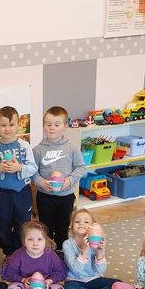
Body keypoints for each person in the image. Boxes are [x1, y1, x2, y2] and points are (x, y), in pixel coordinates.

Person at [32, 106, 86, 250]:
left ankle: (62, 253)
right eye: (48, 124)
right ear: (43, 125)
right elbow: (32, 172)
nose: (52, 128)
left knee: (63, 228)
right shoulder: (37, 150)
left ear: (65, 127)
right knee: (46, 228)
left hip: (66, 196)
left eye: (57, 124)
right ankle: (48, 254)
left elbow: (81, 168)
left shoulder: (72, 147)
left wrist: (69, 181)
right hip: (45, 197)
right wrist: (41, 182)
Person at [0, 106, 38, 257]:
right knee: (3, 225)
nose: (7, 129)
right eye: (3, 125)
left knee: (23, 225)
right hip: (2, 194)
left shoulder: (24, 145)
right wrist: (0, 169)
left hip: (22, 192)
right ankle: (9, 253)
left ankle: (22, 252)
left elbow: (33, 168)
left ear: (18, 125)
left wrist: (19, 167)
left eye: (11, 124)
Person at [1, 221, 67, 289]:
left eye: (39, 239)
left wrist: (50, 280)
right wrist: (23, 280)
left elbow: (60, 272)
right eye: (30, 239)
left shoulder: (51, 255)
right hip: (25, 287)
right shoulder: (18, 256)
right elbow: (10, 273)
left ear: (45, 241)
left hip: (45, 288)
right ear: (24, 242)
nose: (35, 243)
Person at [62, 209, 120, 289]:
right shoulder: (67, 244)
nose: (81, 224)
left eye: (86, 222)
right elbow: (76, 270)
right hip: (75, 281)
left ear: (93, 227)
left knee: (118, 284)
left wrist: (100, 252)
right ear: (71, 226)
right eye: (77, 221)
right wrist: (84, 251)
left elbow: (100, 270)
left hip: (94, 279)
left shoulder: (97, 242)